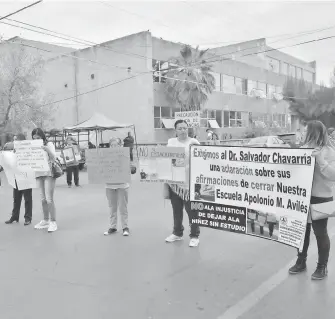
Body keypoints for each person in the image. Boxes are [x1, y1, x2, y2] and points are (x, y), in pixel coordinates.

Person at [289, 120, 335, 280]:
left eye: (306, 131)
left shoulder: (329, 151)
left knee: (320, 233)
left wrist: (320, 160)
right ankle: (301, 261)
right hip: (301, 197)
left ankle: (322, 267)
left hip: (321, 198)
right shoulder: (303, 149)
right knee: (301, 232)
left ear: (313, 132)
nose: (303, 133)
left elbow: (333, 176)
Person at [165, 119, 201, 247]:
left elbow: (202, 160)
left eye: (185, 128)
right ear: (175, 130)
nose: (183, 130)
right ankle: (177, 233)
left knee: (192, 210)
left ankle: (195, 235)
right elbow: (165, 160)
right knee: (177, 210)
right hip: (174, 183)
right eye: (180, 128)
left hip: (190, 183)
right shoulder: (171, 142)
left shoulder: (194, 142)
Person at [104, 137, 132, 237]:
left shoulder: (125, 156)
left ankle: (125, 227)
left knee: (123, 207)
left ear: (121, 146)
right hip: (109, 185)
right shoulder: (105, 157)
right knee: (112, 207)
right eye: (112, 145)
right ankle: (113, 226)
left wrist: (131, 168)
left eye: (116, 145)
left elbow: (130, 168)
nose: (114, 147)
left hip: (122, 185)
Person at [32, 128, 58, 233]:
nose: (36, 140)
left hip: (49, 173)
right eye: (34, 138)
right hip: (39, 173)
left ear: (42, 137)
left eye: (38, 138)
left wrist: (46, 149)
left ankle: (53, 222)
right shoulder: (32, 146)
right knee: (42, 198)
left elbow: (54, 158)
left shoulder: (49, 144)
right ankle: (46, 220)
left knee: (49, 199)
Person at [4, 133, 33, 226]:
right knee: (16, 199)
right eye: (14, 140)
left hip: (26, 176)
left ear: (22, 141)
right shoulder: (12, 151)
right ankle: (15, 216)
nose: (14, 141)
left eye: (16, 139)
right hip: (16, 177)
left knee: (27, 199)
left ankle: (28, 218)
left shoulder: (28, 150)